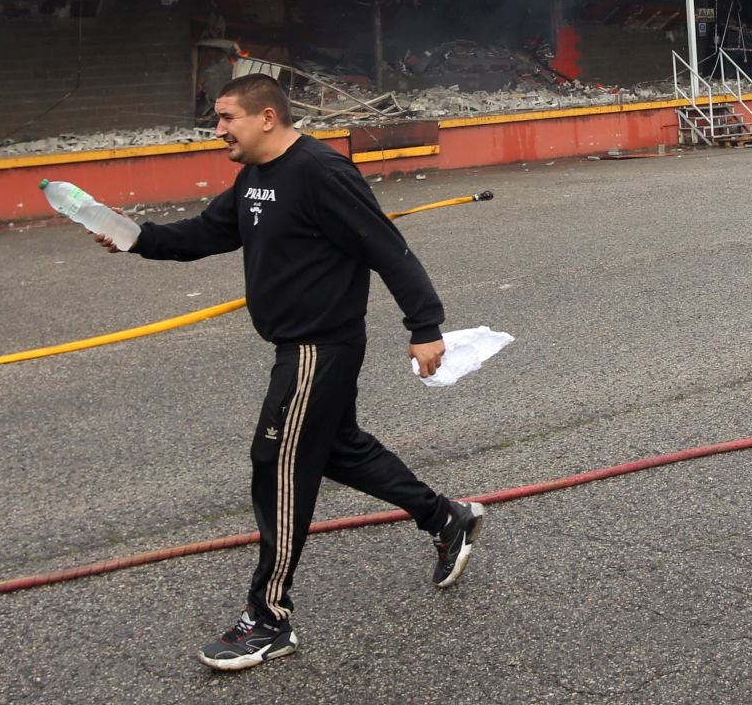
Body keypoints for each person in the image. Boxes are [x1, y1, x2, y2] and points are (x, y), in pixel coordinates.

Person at [98, 72, 487, 671]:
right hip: (295, 346)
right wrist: (136, 238)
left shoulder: (321, 173)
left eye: (227, 119)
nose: (218, 130)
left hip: (317, 348)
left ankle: (268, 618)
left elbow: (386, 247)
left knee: (275, 464)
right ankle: (446, 518)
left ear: (267, 118)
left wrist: (424, 326)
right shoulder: (254, 175)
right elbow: (208, 233)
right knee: (338, 448)